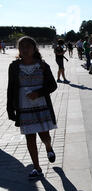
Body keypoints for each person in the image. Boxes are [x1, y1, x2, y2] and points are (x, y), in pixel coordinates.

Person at [6, 36, 58, 179]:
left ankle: (48, 147)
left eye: (28, 46)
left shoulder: (42, 65)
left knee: (44, 135)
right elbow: (11, 88)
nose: (24, 49)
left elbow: (53, 85)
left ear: (34, 48)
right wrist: (10, 109)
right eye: (21, 47)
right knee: (30, 138)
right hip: (24, 107)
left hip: (41, 106)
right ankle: (37, 168)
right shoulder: (14, 66)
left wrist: (38, 93)